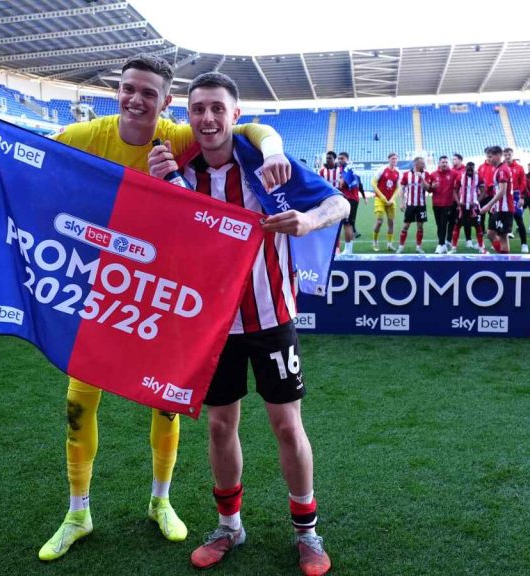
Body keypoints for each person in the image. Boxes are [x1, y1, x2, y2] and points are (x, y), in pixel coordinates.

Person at [0, 53, 292, 562]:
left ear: (166, 102)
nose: (136, 100)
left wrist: (275, 149)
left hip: (157, 291)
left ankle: (161, 501)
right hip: (99, 290)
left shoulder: (178, 136)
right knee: (79, 401)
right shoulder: (89, 134)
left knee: (165, 398)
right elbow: (33, 161)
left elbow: (251, 130)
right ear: (119, 91)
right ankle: (77, 512)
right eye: (129, 89)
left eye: (148, 94)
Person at [148, 70, 343, 576]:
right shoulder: (179, 169)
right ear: (188, 117)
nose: (208, 118)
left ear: (236, 116)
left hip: (271, 316)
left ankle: (307, 531)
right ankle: (229, 525)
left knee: (286, 425)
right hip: (212, 324)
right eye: (198, 109)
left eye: (218, 108)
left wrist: (306, 221)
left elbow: (337, 202)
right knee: (219, 425)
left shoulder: (265, 163)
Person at [479, 146, 513, 254]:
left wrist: (488, 205)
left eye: (490, 156)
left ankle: (505, 261)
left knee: (503, 236)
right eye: (487, 157)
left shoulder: (502, 170)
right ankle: (502, 256)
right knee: (490, 233)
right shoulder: (498, 169)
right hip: (498, 208)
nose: (488, 159)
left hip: (504, 208)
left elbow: (502, 191)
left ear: (498, 156)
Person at [451, 161, 486, 254]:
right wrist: (458, 203)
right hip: (462, 207)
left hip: (474, 207)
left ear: (474, 168)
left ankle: (481, 247)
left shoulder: (479, 177)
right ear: (465, 168)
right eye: (468, 168)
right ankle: (453, 248)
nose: (470, 170)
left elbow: (483, 191)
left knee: (478, 226)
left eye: (472, 168)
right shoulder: (460, 177)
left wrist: (476, 202)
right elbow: (454, 190)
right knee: (457, 226)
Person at [397, 156, 429, 254]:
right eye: (422, 163)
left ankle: (418, 247)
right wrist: (402, 202)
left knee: (420, 226)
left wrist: (421, 178)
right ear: (416, 164)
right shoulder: (406, 175)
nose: (424, 165)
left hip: (421, 205)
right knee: (405, 226)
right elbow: (401, 189)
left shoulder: (426, 174)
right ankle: (401, 247)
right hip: (410, 205)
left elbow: (427, 188)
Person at [428, 155, 456, 254]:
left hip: (448, 204)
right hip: (436, 204)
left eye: (446, 162)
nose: (444, 164)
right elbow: (429, 189)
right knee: (439, 225)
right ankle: (443, 244)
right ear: (439, 163)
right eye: (442, 162)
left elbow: (462, 176)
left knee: (444, 224)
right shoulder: (433, 174)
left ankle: (440, 244)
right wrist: (432, 186)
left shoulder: (453, 173)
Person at [372, 153, 399, 251]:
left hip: (391, 201)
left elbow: (398, 187)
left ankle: (389, 244)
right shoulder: (382, 169)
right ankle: (375, 241)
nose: (394, 160)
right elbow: (373, 183)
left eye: (396, 159)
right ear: (388, 159)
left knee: (391, 222)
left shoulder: (398, 172)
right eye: (392, 158)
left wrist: (392, 199)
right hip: (379, 199)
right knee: (379, 221)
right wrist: (382, 197)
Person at [504, 148, 529, 252]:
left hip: (516, 195)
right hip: (504, 195)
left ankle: (524, 244)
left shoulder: (519, 168)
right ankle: (503, 243)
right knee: (503, 219)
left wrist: (522, 197)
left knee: (518, 218)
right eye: (505, 154)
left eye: (509, 154)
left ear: (512, 155)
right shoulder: (501, 167)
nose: (507, 156)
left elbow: (523, 182)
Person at [336, 152, 360, 254]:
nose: (340, 160)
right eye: (339, 158)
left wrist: (338, 181)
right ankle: (349, 249)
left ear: (347, 159)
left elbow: (342, 184)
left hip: (349, 198)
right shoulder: (351, 168)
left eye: (342, 158)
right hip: (353, 198)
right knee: (349, 224)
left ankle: (347, 250)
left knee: (347, 224)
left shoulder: (346, 168)